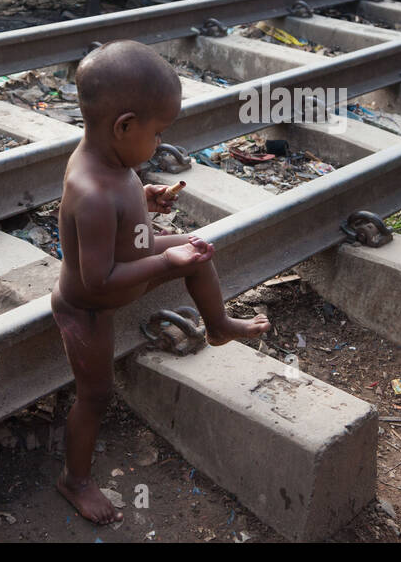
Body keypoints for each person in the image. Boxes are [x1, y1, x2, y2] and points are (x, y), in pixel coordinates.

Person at [51, 41, 270, 524]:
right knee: (95, 394)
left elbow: (123, 212)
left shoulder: (115, 161)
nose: (158, 145)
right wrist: (166, 262)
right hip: (88, 304)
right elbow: (100, 278)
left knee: (195, 248)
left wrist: (146, 200)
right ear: (124, 125)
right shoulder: (90, 190)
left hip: (125, 259)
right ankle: (76, 479)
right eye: (157, 134)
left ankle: (217, 325)